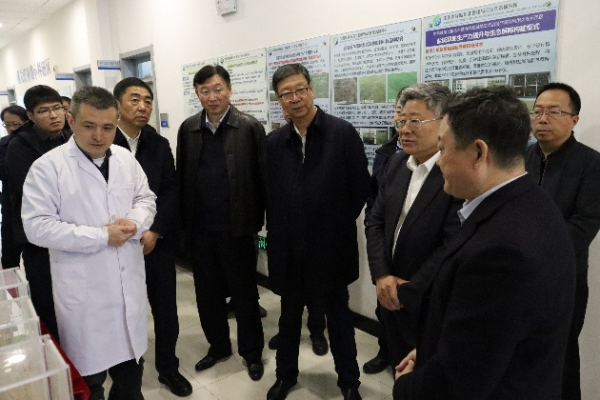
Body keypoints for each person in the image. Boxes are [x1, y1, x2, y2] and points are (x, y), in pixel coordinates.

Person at [394, 86, 576, 399]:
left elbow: (461, 380)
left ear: (479, 153)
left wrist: (405, 386)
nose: (439, 162)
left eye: (443, 148)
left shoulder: (502, 252)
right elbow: (483, 339)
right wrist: (432, 349)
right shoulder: (531, 203)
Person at [21, 86, 156, 400]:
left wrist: (135, 222)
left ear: (116, 123)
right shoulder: (48, 167)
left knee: (130, 379)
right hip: (84, 297)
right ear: (71, 120)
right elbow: (36, 227)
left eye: (107, 127)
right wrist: (101, 236)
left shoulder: (125, 159)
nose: (99, 135)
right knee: (90, 383)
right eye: (89, 125)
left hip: (127, 288)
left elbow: (145, 198)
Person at [265, 63, 370, 400]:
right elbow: (270, 195)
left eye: (300, 89)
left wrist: (330, 223)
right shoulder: (274, 143)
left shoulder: (342, 133)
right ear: (279, 100)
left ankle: (349, 382)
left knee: (339, 319)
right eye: (286, 93)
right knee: (289, 318)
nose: (295, 98)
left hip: (331, 248)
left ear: (311, 90)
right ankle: (285, 376)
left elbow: (360, 188)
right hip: (289, 250)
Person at [177, 65, 266, 381]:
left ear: (229, 90)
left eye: (217, 89)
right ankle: (218, 347)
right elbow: (182, 179)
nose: (212, 96)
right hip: (201, 231)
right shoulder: (188, 129)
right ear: (197, 93)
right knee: (207, 295)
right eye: (205, 91)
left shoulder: (249, 127)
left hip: (238, 230)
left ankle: (252, 353)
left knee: (245, 295)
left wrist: (260, 225)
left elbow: (262, 179)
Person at [365, 82, 460, 371]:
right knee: (400, 371)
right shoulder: (396, 164)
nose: (404, 130)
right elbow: (375, 220)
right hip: (388, 293)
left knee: (428, 377)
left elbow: (453, 242)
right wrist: (382, 275)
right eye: (402, 121)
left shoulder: (455, 170)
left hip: (429, 301)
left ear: (444, 122)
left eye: (415, 121)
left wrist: (411, 289)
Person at [113, 77, 192, 397]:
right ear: (118, 104)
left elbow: (170, 190)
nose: (142, 106)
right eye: (134, 99)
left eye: (147, 100)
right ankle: (126, 378)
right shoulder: (104, 142)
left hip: (155, 243)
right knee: (123, 311)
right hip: (117, 245)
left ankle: (168, 368)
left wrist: (155, 230)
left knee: (165, 310)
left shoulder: (158, 144)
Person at [525, 82, 600, 400]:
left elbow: (584, 225)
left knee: (562, 355)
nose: (543, 119)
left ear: (574, 119)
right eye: (538, 111)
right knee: (520, 352)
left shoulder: (591, 164)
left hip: (562, 280)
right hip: (517, 276)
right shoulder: (520, 158)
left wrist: (531, 252)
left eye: (554, 112)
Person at [5, 85, 71, 340]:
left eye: (57, 108)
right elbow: (32, 195)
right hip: (40, 241)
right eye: (44, 111)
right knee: (48, 304)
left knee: (74, 303)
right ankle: (56, 354)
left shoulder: (71, 137)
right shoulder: (19, 146)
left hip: (73, 236)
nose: (54, 115)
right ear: (30, 116)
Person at [362, 88, 402, 375]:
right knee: (384, 303)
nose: (403, 120)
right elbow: (373, 196)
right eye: (400, 111)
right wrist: (371, 226)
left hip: (412, 246)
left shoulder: (439, 158)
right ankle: (385, 351)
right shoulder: (386, 152)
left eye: (414, 117)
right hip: (384, 241)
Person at [0, 105, 28, 268]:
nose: (11, 129)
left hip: (32, 207)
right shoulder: (3, 144)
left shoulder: (32, 144)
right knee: (9, 257)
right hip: (10, 208)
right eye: (7, 124)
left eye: (16, 124)